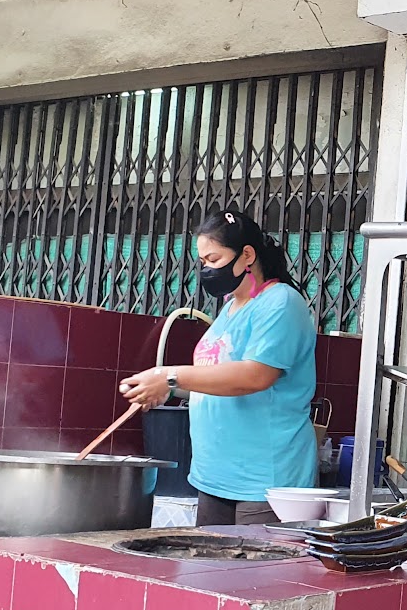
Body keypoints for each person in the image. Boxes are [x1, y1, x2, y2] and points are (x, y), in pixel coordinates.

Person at [121, 209, 318, 526]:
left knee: (255, 574)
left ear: (247, 255)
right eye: (203, 262)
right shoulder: (230, 308)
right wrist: (165, 388)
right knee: (208, 573)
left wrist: (170, 375)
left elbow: (255, 376)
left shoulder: (280, 302)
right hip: (214, 476)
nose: (206, 269)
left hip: (264, 481)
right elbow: (218, 375)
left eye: (213, 259)